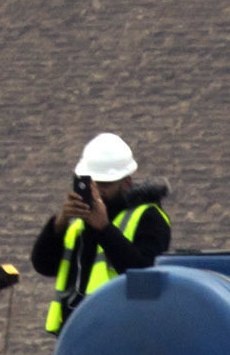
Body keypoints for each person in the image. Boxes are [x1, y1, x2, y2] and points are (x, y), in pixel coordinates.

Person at [35, 132, 176, 338]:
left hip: (120, 339)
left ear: (126, 183)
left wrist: (103, 228)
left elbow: (142, 273)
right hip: (75, 336)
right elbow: (43, 265)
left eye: (105, 184)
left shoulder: (149, 217)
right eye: (92, 183)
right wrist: (60, 223)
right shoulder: (77, 225)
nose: (97, 191)